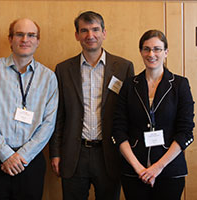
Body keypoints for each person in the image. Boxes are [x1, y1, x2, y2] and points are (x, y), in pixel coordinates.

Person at [49, 11, 134, 200]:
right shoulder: (63, 69)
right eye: (84, 30)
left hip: (110, 155)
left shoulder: (124, 67)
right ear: (77, 35)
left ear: (104, 33)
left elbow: (128, 115)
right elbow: (58, 115)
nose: (90, 35)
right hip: (74, 155)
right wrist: (55, 153)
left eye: (95, 29)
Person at [0, 18, 58, 200]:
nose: (25, 39)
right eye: (19, 34)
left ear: (38, 41)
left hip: (30, 161)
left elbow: (49, 123)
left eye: (31, 35)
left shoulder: (48, 77)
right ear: (10, 39)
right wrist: (5, 154)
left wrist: (21, 156)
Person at [112, 29, 195, 200]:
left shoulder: (180, 84)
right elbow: (118, 129)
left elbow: (185, 131)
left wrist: (157, 167)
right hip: (134, 172)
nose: (151, 54)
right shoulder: (129, 85)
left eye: (157, 49)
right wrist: (138, 168)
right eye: (146, 49)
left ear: (166, 52)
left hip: (170, 171)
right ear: (141, 52)